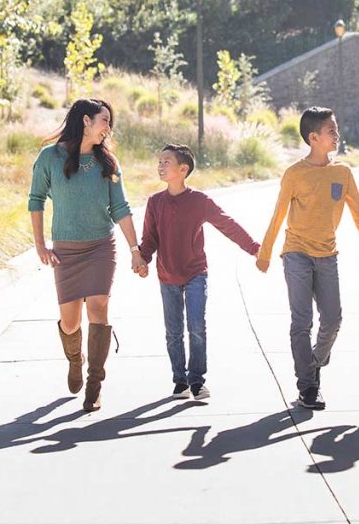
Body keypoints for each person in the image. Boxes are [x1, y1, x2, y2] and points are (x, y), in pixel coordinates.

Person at [257, 107, 359, 410]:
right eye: (331, 130)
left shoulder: (343, 173)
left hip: (327, 255)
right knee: (301, 321)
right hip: (296, 253)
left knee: (332, 318)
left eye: (336, 129)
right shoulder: (294, 174)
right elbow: (278, 216)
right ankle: (308, 387)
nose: (337, 135)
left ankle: (312, 362)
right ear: (313, 137)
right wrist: (265, 254)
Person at [28, 98, 145, 412]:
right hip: (66, 251)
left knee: (99, 306)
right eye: (104, 120)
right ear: (85, 121)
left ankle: (95, 384)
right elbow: (36, 200)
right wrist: (40, 246)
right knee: (69, 323)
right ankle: (75, 359)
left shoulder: (108, 162)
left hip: (100, 247)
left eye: (109, 121)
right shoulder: (49, 158)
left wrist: (135, 250)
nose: (108, 127)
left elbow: (120, 208)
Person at [136, 144, 261, 401]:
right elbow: (149, 239)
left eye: (166, 162)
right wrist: (143, 259)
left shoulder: (199, 201)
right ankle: (179, 381)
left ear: (183, 169)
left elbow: (228, 225)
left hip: (195, 273)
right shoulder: (154, 202)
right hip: (167, 275)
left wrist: (255, 249)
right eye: (159, 161)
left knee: (196, 326)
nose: (160, 166)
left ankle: (196, 380)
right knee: (173, 331)